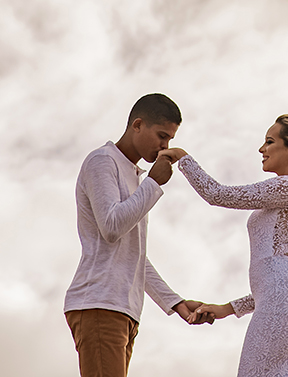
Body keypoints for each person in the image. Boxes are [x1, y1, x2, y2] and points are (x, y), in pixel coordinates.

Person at [161, 114, 288, 377]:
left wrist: (182, 158)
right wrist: (228, 308)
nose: (261, 149)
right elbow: (277, 277)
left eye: (269, 142)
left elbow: (218, 194)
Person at [63, 93, 207, 377]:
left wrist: (175, 302)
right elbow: (112, 227)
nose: (165, 146)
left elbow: (135, 255)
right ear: (137, 125)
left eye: (170, 139)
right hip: (98, 302)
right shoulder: (102, 161)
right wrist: (154, 182)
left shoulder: (134, 175)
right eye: (161, 135)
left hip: (123, 310)